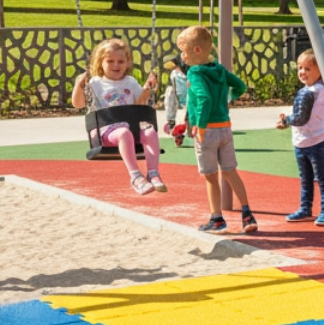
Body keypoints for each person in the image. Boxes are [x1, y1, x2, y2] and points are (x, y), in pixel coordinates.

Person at [175, 25, 258, 234]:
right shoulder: (219, 69)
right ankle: (247, 214)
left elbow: (204, 98)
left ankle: (217, 218)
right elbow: (240, 86)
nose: (182, 56)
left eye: (184, 51)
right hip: (225, 128)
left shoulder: (195, 73)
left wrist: (200, 125)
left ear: (196, 50)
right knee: (230, 172)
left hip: (207, 131)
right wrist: (228, 99)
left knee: (211, 177)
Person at [73, 38, 162, 195]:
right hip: (106, 131)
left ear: (127, 63)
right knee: (124, 133)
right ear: (100, 62)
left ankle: (153, 173)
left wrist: (147, 88)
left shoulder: (130, 82)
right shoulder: (95, 83)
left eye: (121, 61)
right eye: (110, 61)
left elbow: (139, 103)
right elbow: (78, 104)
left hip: (131, 128)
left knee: (150, 132)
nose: (116, 65)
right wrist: (78, 86)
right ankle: (136, 177)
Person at [276, 48, 324, 226]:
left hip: (315, 141)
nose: (302, 72)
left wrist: (287, 120)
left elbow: (302, 118)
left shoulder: (312, 91)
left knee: (319, 178)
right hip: (304, 140)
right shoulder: (316, 89)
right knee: (307, 178)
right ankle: (306, 208)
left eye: (308, 68)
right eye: (300, 68)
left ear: (320, 70)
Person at [162, 55, 189, 134]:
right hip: (184, 98)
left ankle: (172, 121)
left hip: (185, 99)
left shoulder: (175, 74)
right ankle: (171, 121)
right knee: (170, 91)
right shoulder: (177, 73)